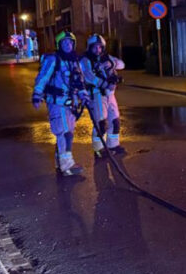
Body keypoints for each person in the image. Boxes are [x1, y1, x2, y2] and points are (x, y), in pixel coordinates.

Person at [31, 31, 89, 176]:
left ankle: (60, 162)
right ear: (59, 45)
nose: (68, 45)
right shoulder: (53, 60)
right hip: (57, 103)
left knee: (67, 133)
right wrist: (37, 95)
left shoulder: (74, 61)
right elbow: (42, 78)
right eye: (64, 43)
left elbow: (79, 82)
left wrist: (84, 95)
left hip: (70, 104)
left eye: (70, 43)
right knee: (64, 133)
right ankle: (67, 166)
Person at [80, 34, 125, 157]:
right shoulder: (85, 60)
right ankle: (99, 149)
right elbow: (89, 77)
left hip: (110, 94)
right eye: (95, 47)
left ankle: (113, 145)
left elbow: (121, 64)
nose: (98, 50)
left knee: (114, 121)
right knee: (101, 123)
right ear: (89, 47)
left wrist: (110, 64)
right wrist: (105, 84)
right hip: (97, 95)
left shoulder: (106, 57)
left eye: (100, 47)